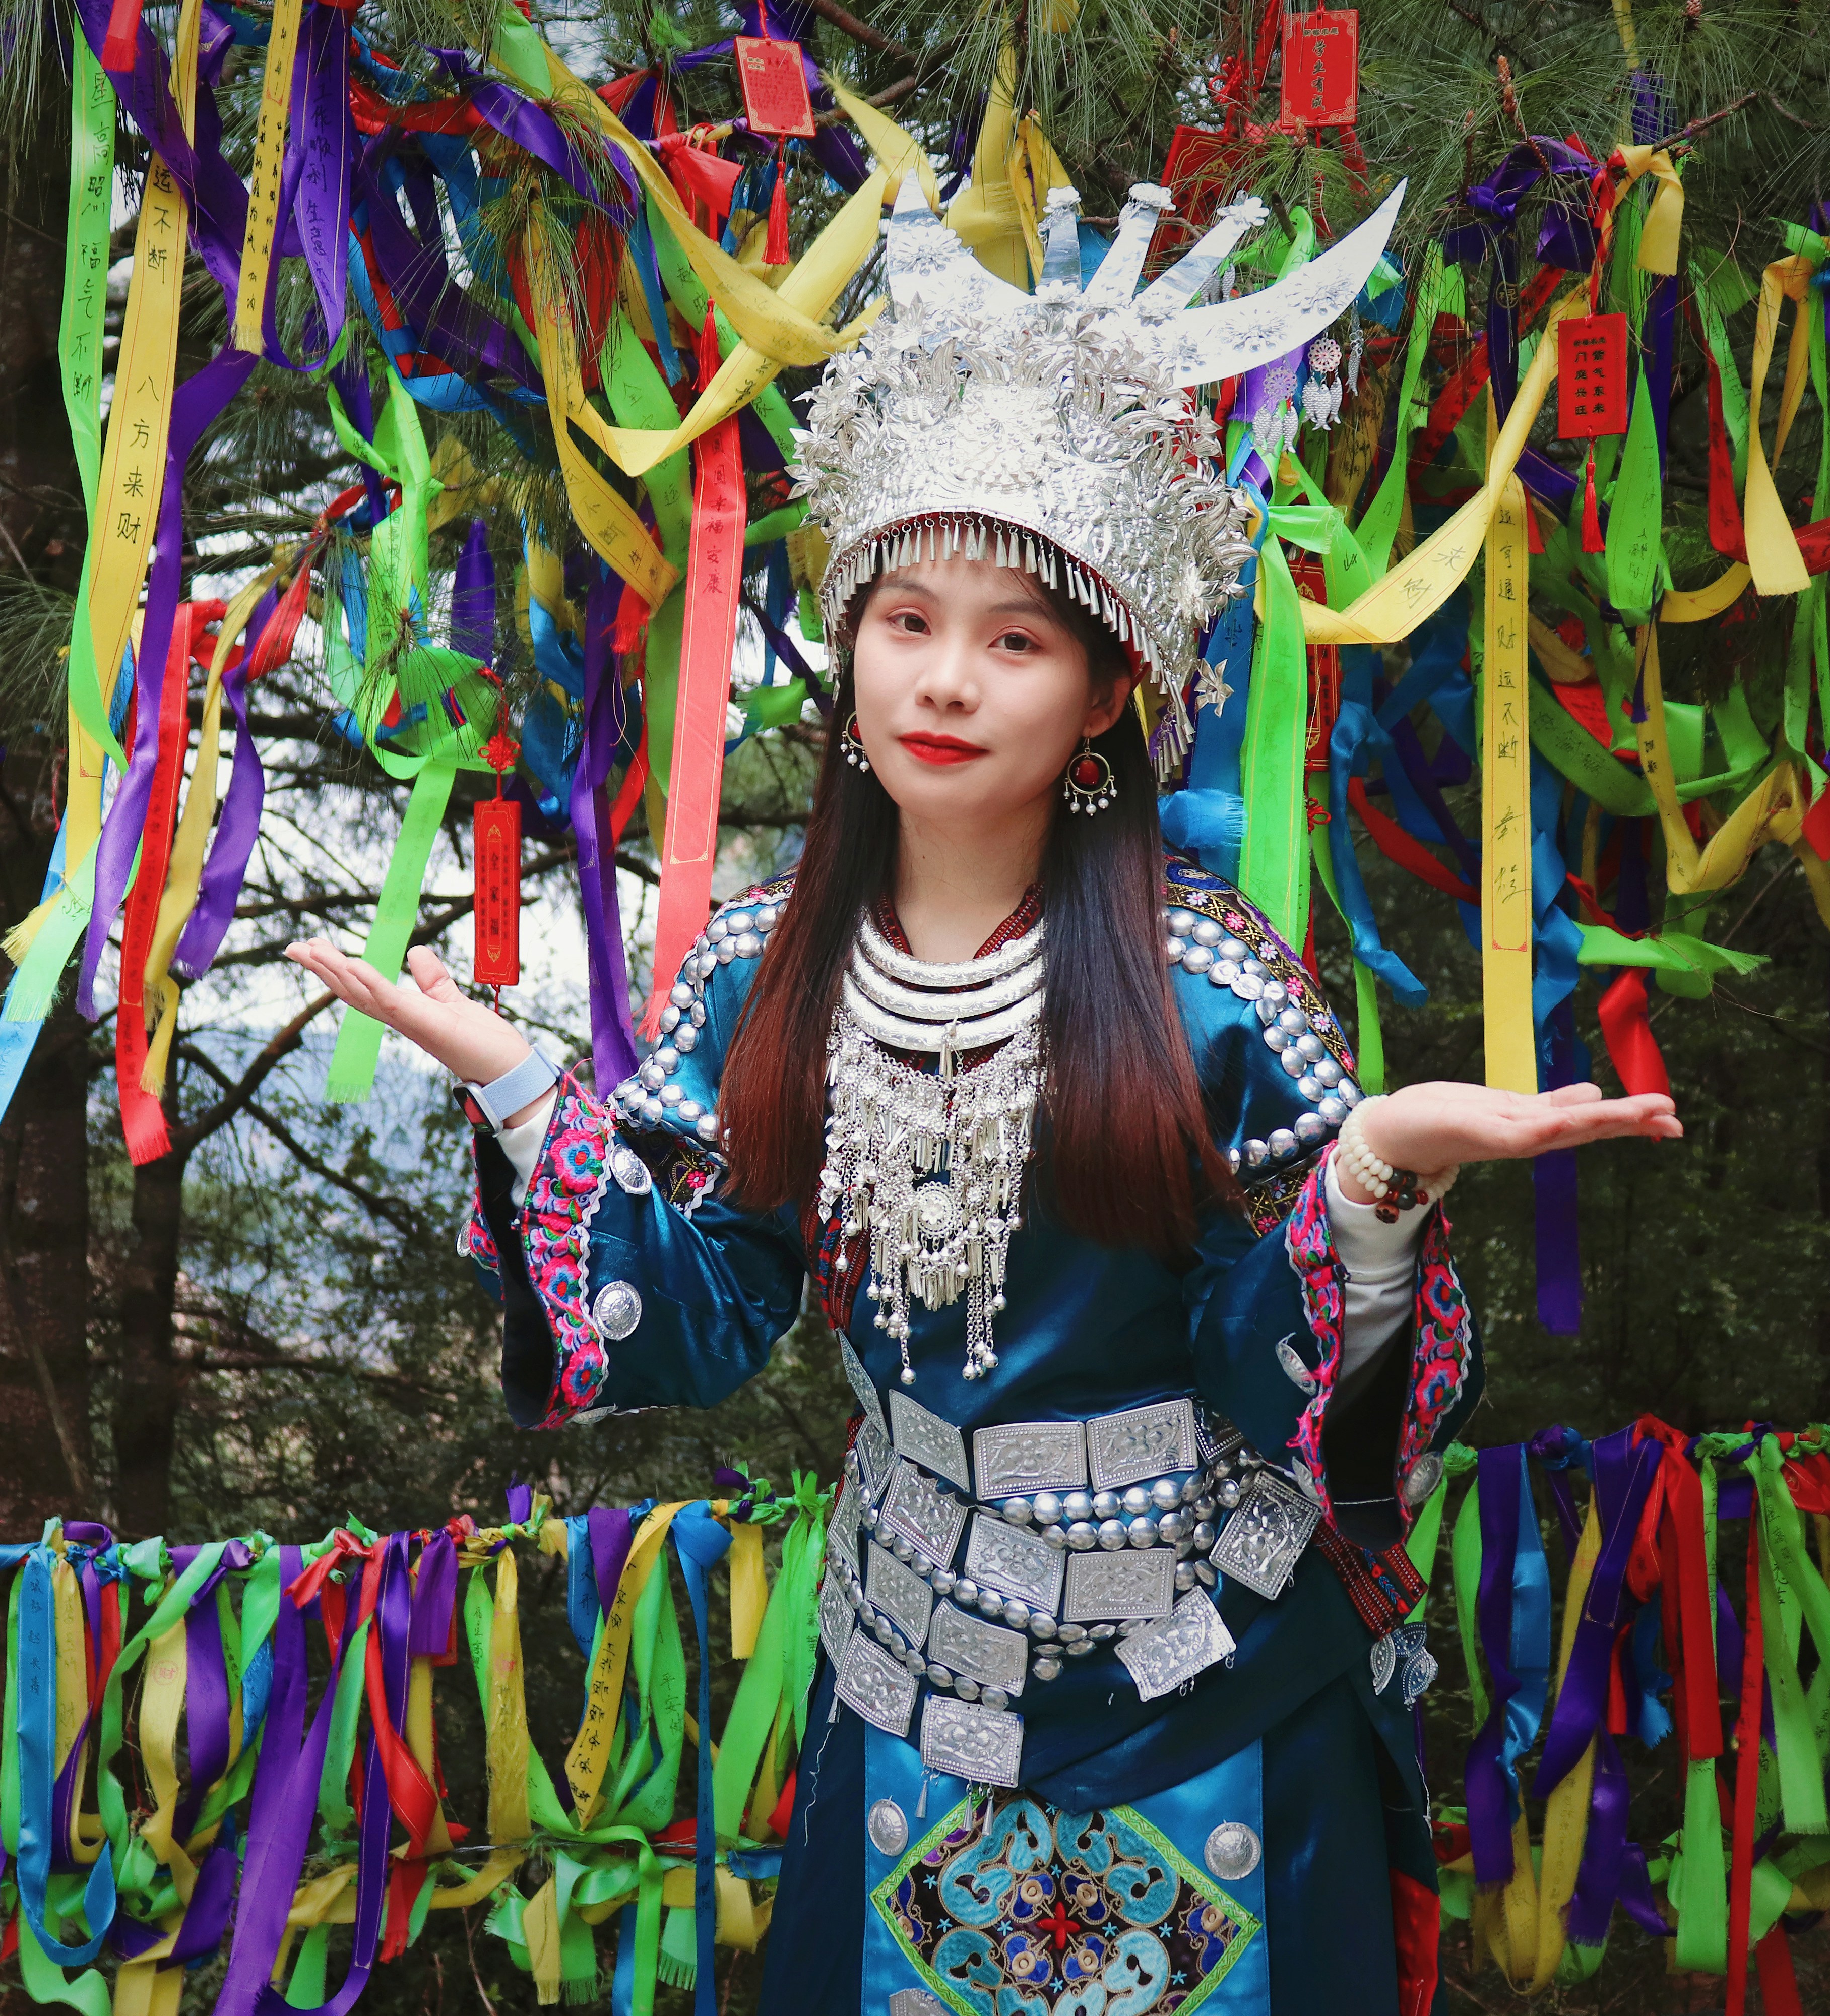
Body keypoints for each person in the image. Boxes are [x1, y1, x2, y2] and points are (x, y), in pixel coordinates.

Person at [288, 176, 1679, 2014]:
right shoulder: (762, 980)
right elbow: (690, 1324)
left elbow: (1298, 1404)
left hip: (1217, 1691)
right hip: (910, 1680)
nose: (946, 681)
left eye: (1017, 640)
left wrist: (1373, 1176)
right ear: (849, 645)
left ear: (1108, 693)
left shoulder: (1217, 990)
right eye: (907, 622)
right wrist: (527, 1085)